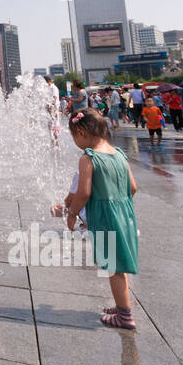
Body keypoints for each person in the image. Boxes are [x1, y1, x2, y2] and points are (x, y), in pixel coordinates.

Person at [60, 108, 140, 330]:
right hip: (125, 214)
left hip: (106, 218)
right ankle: (121, 304)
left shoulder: (89, 158)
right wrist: (119, 204)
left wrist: (73, 213)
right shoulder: (119, 154)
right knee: (119, 265)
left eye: (74, 136)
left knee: (113, 268)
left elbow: (83, 193)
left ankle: (124, 316)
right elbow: (133, 187)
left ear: (81, 133)